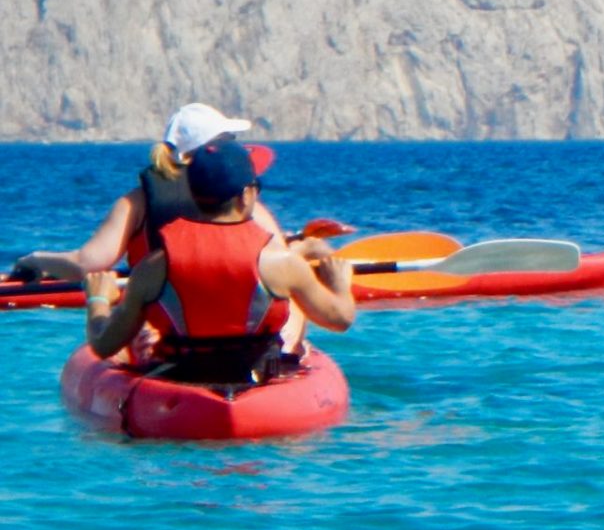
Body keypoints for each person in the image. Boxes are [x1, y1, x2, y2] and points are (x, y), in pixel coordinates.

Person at [82, 141, 354, 383]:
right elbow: (340, 319)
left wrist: (99, 301)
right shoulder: (283, 264)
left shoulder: (154, 266)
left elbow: (104, 345)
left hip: (183, 379)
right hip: (258, 380)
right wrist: (339, 284)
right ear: (246, 195)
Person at [12, 103, 288, 282]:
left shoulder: (137, 201)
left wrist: (35, 259)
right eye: (230, 141)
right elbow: (279, 255)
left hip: (158, 314)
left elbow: (87, 265)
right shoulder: (238, 197)